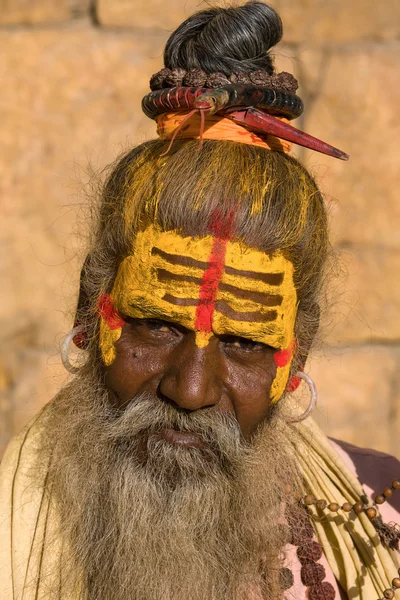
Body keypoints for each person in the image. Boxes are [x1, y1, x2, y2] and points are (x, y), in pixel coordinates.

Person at [1, 2, 399, 599]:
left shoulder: (383, 513)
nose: (191, 391)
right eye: (157, 326)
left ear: (297, 354)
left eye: (243, 343)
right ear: (92, 309)